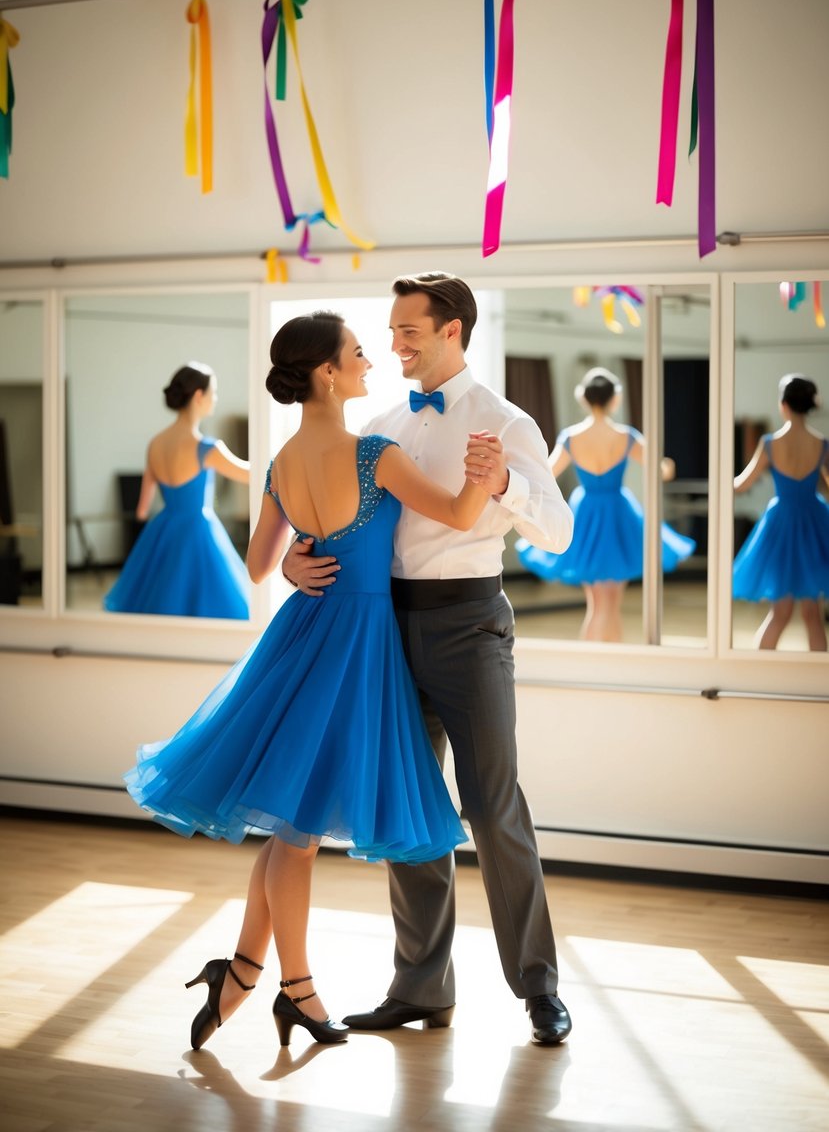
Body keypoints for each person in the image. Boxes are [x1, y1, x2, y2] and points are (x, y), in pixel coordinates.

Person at [125, 311, 497, 1051]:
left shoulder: (281, 462)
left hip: (303, 637)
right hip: (353, 646)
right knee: (293, 836)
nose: (370, 363)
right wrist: (490, 478)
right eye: (358, 354)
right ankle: (296, 990)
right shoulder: (375, 454)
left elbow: (262, 567)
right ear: (326, 372)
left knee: (290, 828)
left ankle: (241, 972)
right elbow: (458, 513)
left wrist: (297, 560)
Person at [283, 273, 575, 1047]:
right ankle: (421, 988)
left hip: (471, 623)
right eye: (390, 331)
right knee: (405, 805)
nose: (394, 344)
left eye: (408, 330)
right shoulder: (377, 421)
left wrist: (504, 482)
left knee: (490, 805)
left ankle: (537, 986)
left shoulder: (506, 421)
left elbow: (559, 533)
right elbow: (330, 517)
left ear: (452, 330)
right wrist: (293, 561)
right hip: (383, 627)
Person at [516, 367, 695, 642]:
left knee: (597, 603)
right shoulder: (627, 436)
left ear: (584, 399)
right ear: (615, 399)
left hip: (586, 512)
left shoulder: (571, 437)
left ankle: (593, 661)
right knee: (611, 604)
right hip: (618, 513)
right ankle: (610, 660)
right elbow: (661, 471)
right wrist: (668, 464)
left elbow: (547, 473)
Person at [104, 362, 251, 620]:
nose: (215, 399)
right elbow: (251, 475)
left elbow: (141, 510)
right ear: (198, 396)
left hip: (163, 530)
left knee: (161, 603)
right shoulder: (207, 448)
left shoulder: (155, 444)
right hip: (198, 531)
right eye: (213, 392)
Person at [733, 374, 829, 651]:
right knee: (813, 617)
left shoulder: (771, 443)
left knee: (780, 613)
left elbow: (742, 484)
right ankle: (817, 680)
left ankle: (756, 672)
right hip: (814, 523)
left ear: (783, 404)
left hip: (782, 523)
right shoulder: (821, 444)